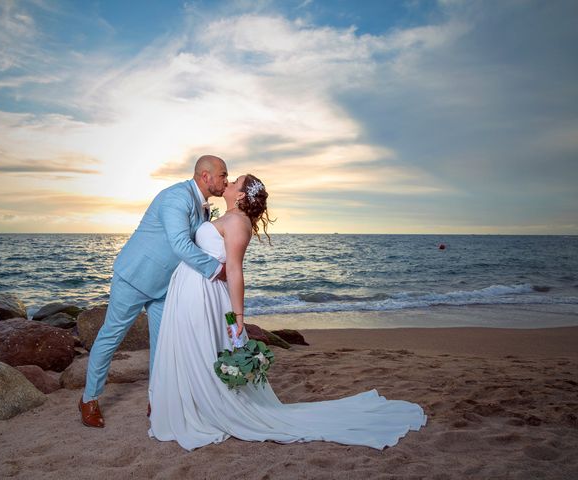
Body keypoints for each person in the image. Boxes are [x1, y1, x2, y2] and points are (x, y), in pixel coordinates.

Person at [148, 174, 427, 451]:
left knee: (202, 349)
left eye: (235, 182)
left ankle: (207, 409)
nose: (229, 182)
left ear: (242, 195)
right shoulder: (229, 217)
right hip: (193, 289)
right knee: (192, 349)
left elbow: (234, 270)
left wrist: (239, 318)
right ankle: (192, 405)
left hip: (205, 294)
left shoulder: (238, 223)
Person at [79, 155, 229, 428]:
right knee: (111, 336)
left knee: (162, 346)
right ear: (205, 176)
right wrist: (218, 270)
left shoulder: (203, 206)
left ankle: (158, 399)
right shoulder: (177, 197)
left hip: (164, 286)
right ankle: (89, 398)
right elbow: (180, 244)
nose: (226, 181)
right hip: (135, 277)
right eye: (223, 175)